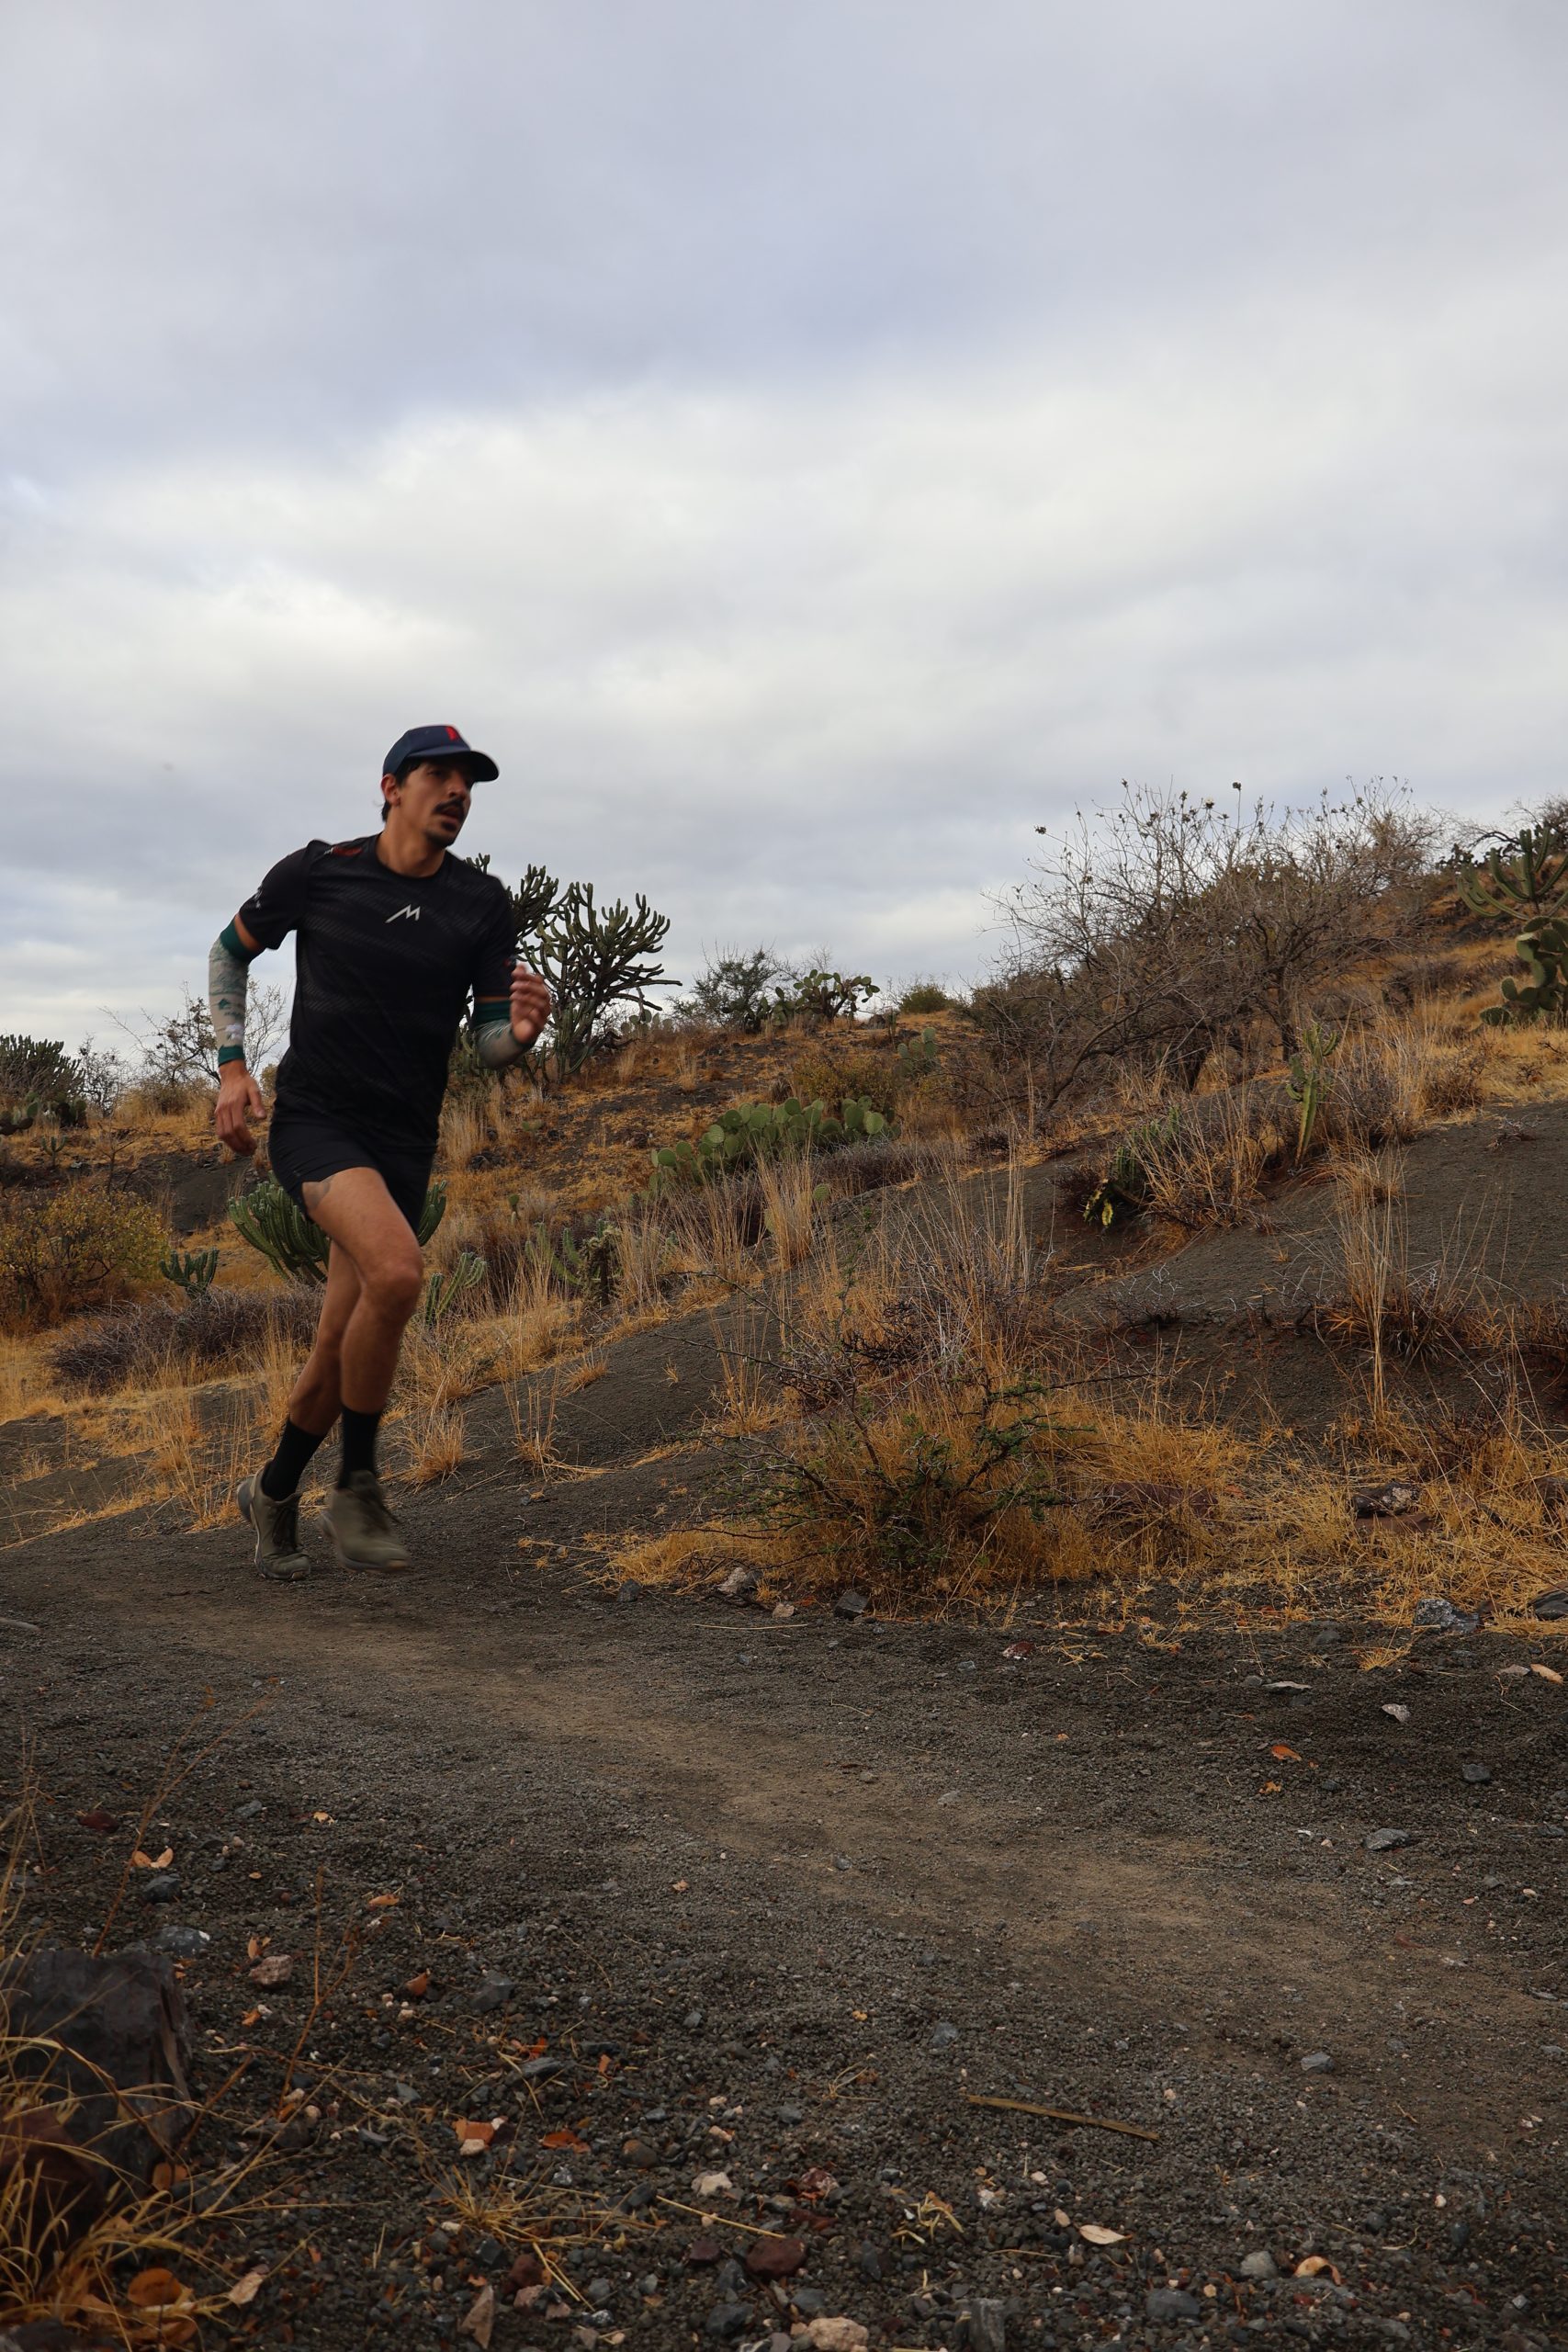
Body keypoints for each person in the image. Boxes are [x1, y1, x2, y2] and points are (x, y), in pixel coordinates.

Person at [209, 725, 551, 1580]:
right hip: (319, 1123)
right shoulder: (320, 871)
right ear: (392, 786)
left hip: (405, 1139)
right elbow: (230, 951)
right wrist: (232, 1067)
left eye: (468, 782)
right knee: (397, 1275)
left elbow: (487, 1044)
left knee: (340, 1339)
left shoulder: (480, 903)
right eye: (439, 775)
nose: (457, 792)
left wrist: (520, 1034)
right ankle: (357, 1486)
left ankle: (272, 1491)